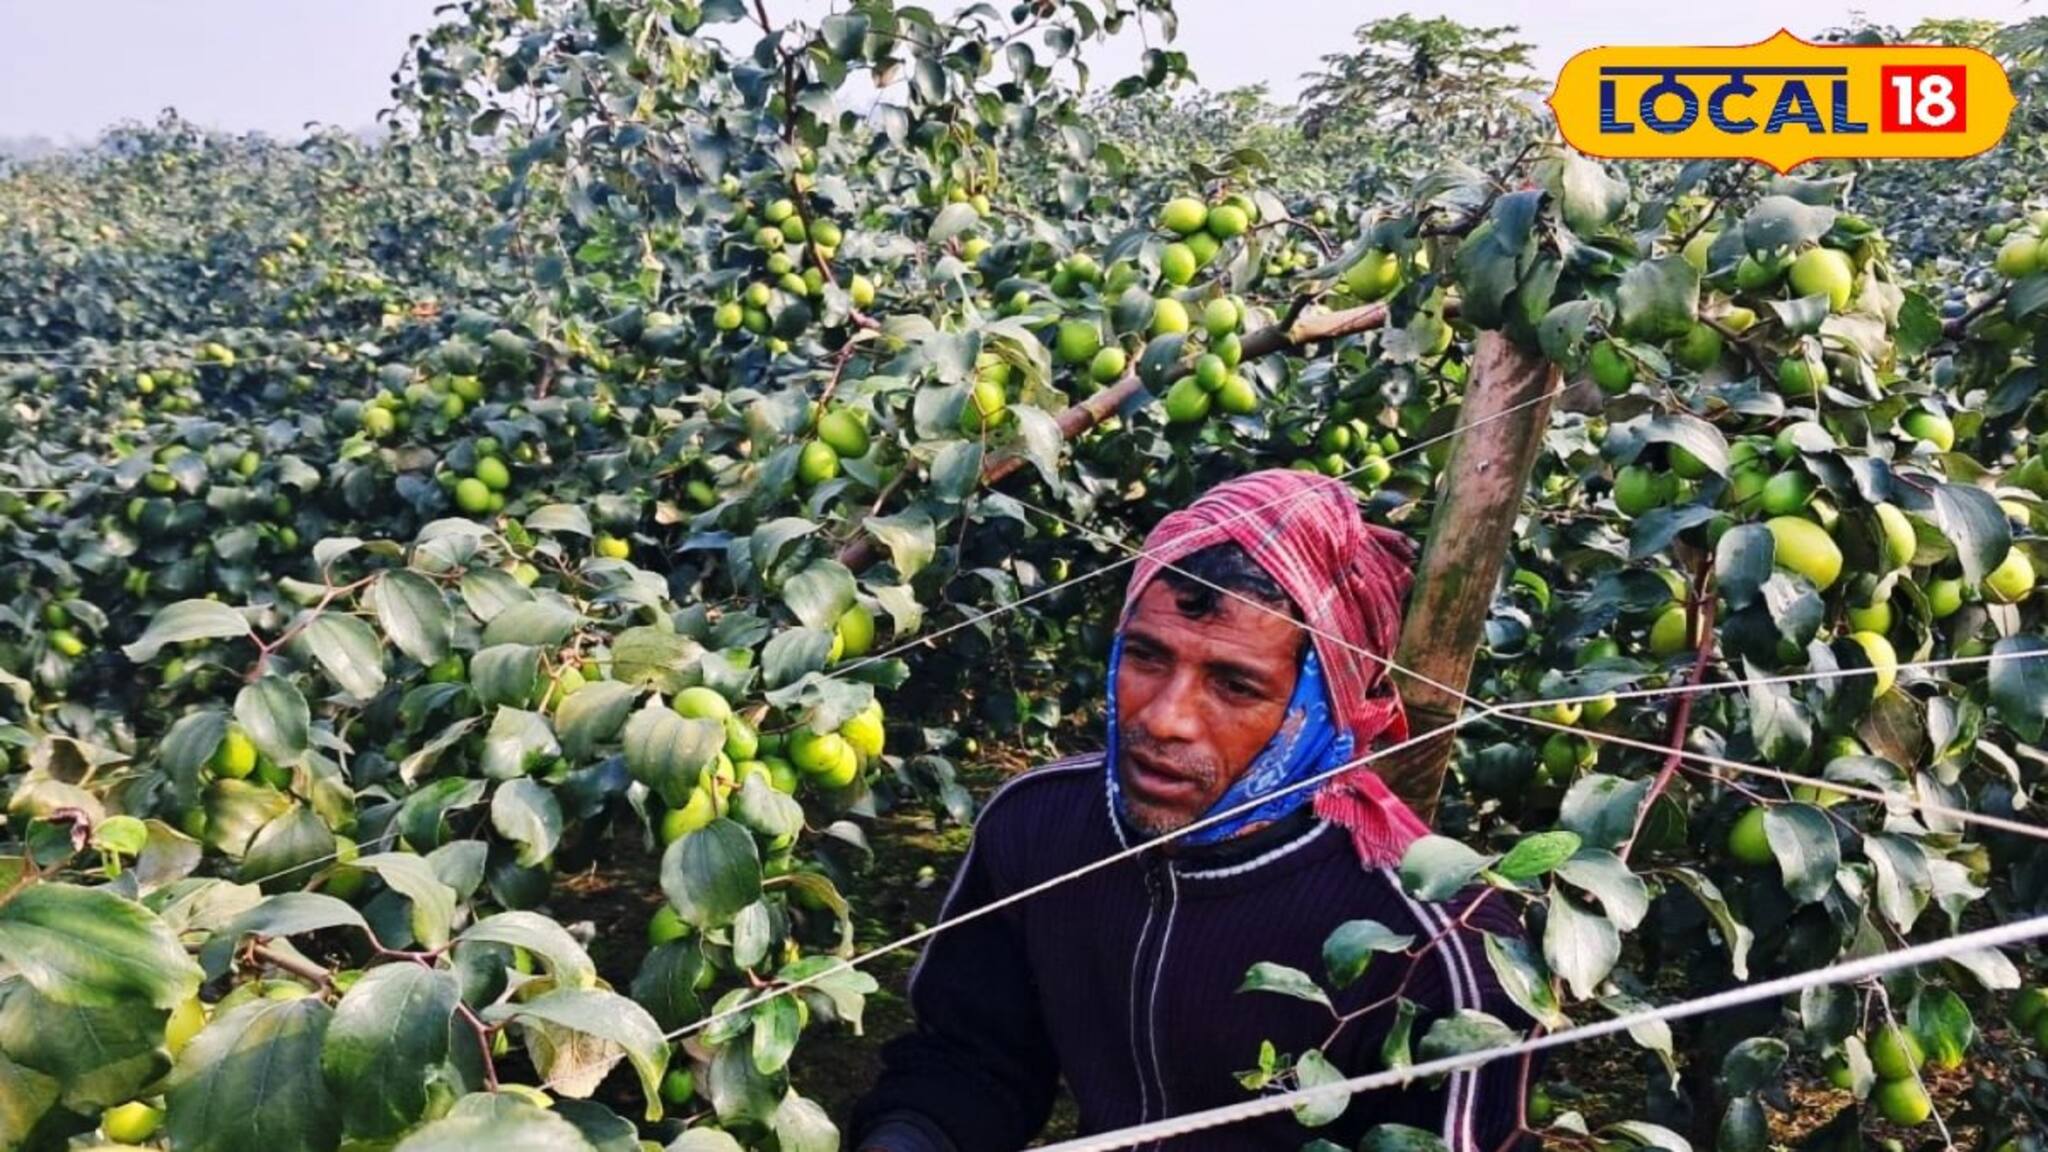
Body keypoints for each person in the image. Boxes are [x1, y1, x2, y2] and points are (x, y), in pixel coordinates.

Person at [850, 469, 1532, 1152]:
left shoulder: (1437, 944)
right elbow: (974, 1059)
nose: (1166, 718)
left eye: (1235, 685)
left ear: (1322, 711)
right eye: (1146, 655)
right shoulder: (1039, 824)